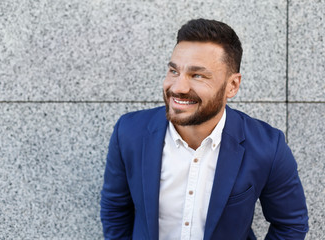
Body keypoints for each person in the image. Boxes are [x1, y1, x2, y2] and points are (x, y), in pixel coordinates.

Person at [100, 18, 308, 240]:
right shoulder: (129, 132)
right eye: (173, 71)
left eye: (197, 75)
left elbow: (290, 224)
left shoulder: (268, 146)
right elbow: (115, 210)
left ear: (232, 85)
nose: (178, 87)